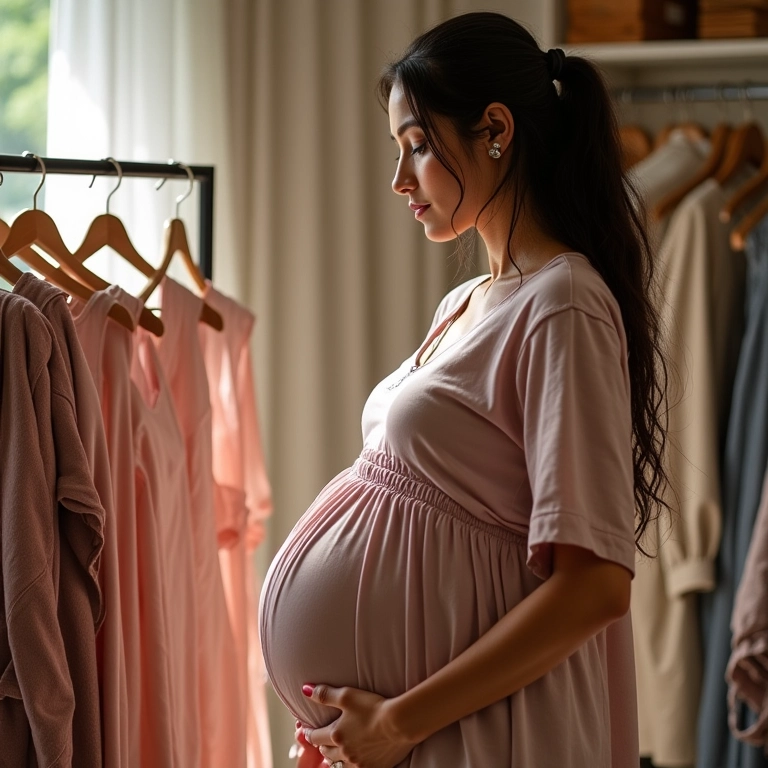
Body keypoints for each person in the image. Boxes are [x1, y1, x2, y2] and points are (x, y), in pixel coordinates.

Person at [258, 11, 669, 768]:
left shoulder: (564, 303)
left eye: (416, 146)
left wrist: (398, 722)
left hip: (488, 734)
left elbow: (598, 586)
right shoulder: (471, 300)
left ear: (496, 130)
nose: (398, 179)